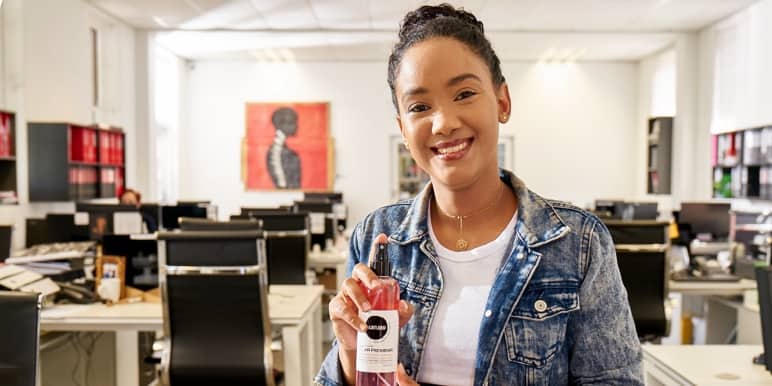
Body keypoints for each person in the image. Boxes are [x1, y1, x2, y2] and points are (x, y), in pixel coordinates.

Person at [315, 4, 642, 386]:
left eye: (465, 93)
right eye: (420, 107)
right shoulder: (377, 236)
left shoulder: (578, 243)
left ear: (502, 101)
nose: (444, 122)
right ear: (403, 128)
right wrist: (351, 355)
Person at [266, 107, 302, 189]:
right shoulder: (278, 152)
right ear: (280, 125)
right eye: (292, 123)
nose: (296, 126)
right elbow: (282, 185)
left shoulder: (286, 152)